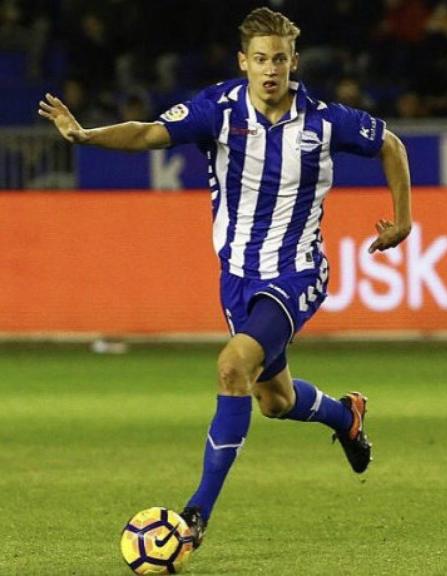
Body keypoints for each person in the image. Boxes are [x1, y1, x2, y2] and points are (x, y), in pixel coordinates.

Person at [37, 7, 412, 550]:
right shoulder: (218, 109)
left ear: (293, 62)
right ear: (244, 61)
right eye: (260, 59)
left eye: (279, 59)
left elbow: (391, 145)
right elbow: (146, 134)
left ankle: (195, 516)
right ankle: (344, 414)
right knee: (274, 401)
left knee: (231, 365)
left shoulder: (325, 121)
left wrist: (403, 219)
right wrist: (85, 134)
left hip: (297, 272)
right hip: (236, 278)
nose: (270, 69)